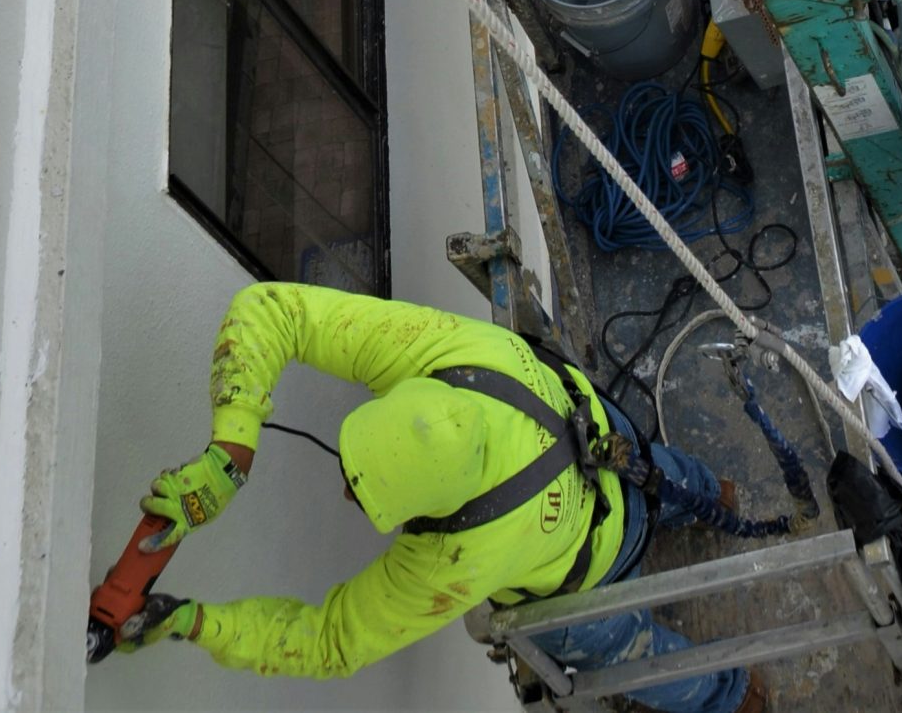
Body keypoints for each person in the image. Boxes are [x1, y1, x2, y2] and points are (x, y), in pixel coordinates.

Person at [111, 281, 761, 709]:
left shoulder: (456, 555)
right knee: (659, 471)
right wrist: (231, 452)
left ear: (433, 514)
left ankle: (729, 694)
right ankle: (715, 498)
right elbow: (275, 311)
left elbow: (328, 641)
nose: (344, 492)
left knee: (623, 652)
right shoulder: (444, 353)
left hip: (595, 571)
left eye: (363, 498)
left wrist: (192, 621)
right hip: (607, 442)